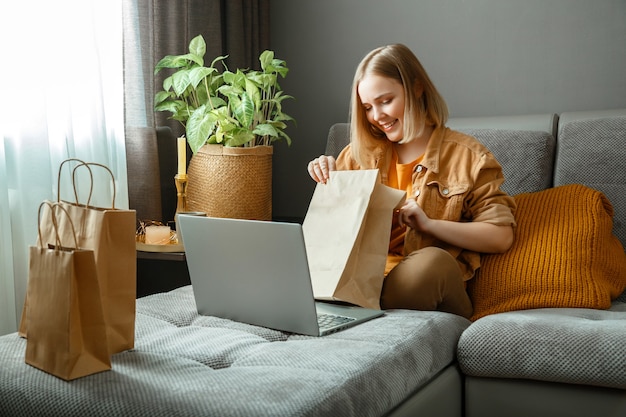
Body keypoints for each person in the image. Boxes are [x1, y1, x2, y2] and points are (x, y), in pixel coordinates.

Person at [307, 44, 516, 319]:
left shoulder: (469, 157)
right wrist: (327, 179)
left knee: (433, 262)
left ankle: (365, 310)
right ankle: (349, 311)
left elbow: (501, 236)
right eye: (368, 107)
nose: (377, 116)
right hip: (359, 283)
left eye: (385, 101)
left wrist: (429, 225)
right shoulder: (358, 154)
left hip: (423, 287)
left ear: (417, 88)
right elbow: (329, 239)